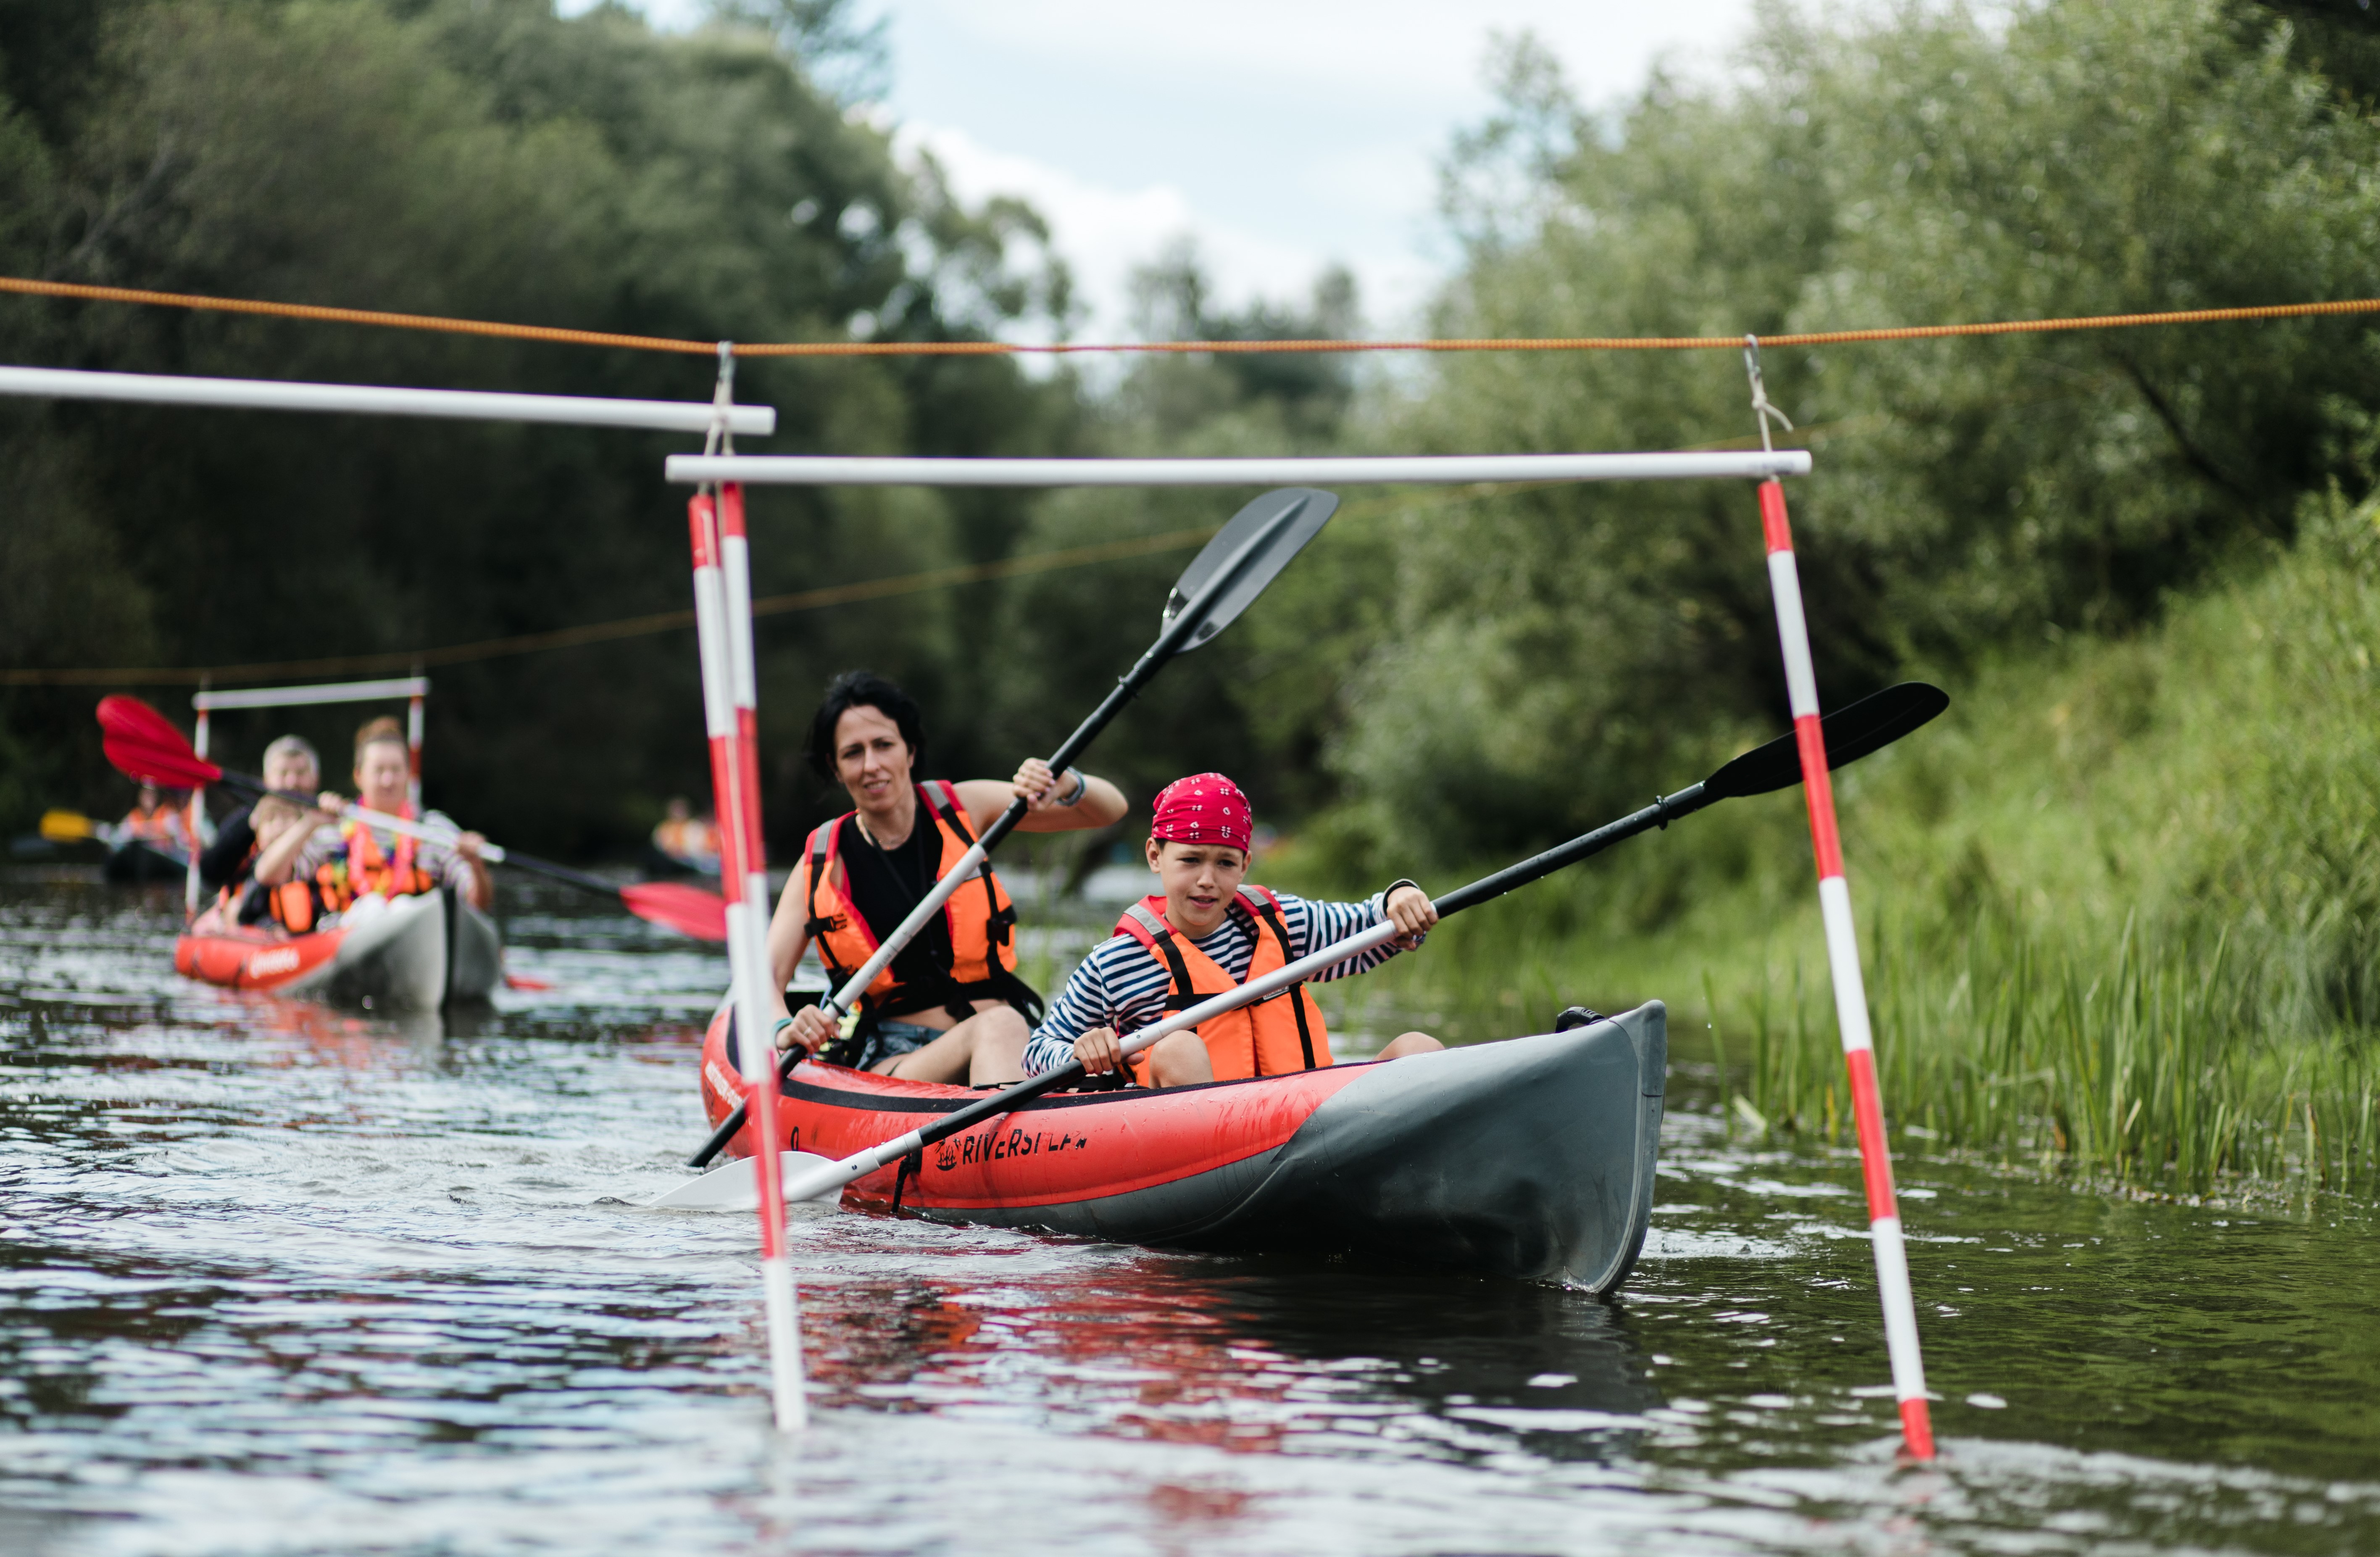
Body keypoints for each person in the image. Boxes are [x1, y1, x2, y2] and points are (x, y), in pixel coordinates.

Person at [767, 670, 1127, 1085]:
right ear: (834, 766)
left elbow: (1109, 809)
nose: (872, 765)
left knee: (1015, 1029)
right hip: (901, 1060)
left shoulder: (965, 809)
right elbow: (767, 980)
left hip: (1011, 1046)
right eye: (853, 753)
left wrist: (1066, 782)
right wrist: (784, 1027)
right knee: (1000, 1024)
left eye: (884, 745)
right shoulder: (819, 863)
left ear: (910, 749)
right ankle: (1015, 1142)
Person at [1021, 772, 1446, 1088]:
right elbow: (1037, 1052)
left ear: (1245, 865)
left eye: (1225, 863)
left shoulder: (1284, 924)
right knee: (1179, 1048)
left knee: (1419, 1049)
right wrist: (1080, 1051)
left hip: (1308, 1120)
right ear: (1156, 856)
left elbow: (1378, 926)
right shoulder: (1116, 962)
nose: (1208, 879)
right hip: (1202, 1147)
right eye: (1191, 860)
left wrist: (1400, 897)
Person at [252, 716, 492, 930]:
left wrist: (476, 867)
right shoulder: (334, 830)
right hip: (348, 939)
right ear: (359, 776)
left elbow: (476, 903)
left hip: (417, 931)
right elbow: (268, 875)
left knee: (402, 908)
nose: (388, 780)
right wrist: (311, 822)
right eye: (379, 770)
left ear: (409, 774)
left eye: (396, 770)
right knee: (373, 907)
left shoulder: (433, 830)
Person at [197, 735, 322, 896]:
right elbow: (210, 875)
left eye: (301, 773)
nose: (292, 783)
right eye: (283, 773)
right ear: (266, 780)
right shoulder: (247, 821)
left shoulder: (328, 820)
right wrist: (251, 827)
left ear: (315, 778)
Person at [120, 784, 194, 851]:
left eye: (152, 793)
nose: (149, 797)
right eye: (146, 793)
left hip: (163, 858)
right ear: (140, 796)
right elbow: (120, 838)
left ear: (157, 796)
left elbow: (180, 839)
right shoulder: (134, 817)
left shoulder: (166, 814)